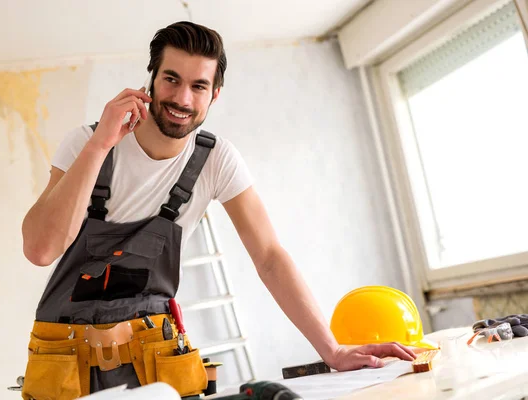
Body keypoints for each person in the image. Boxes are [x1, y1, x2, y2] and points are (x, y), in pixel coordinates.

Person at [21, 21, 416, 397]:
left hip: (155, 362)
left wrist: (332, 350)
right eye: (171, 79)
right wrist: (99, 147)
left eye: (199, 86)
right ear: (150, 81)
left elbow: (270, 257)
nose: (182, 99)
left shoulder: (216, 160)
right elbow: (39, 250)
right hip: (67, 365)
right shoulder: (85, 143)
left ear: (215, 94)